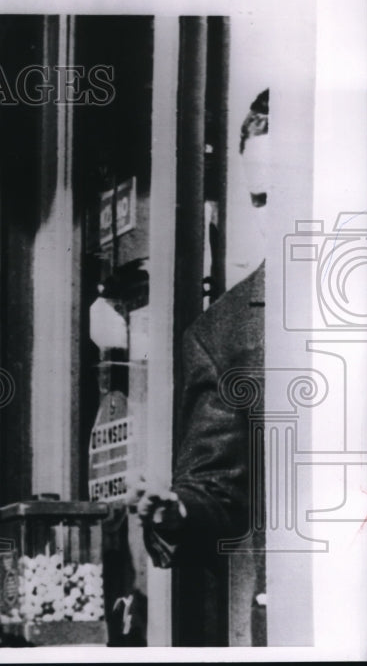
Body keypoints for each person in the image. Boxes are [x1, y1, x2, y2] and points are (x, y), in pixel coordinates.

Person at [129, 89, 269, 645]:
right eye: (261, 197)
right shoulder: (226, 332)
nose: (280, 213)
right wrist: (177, 510)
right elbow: (217, 487)